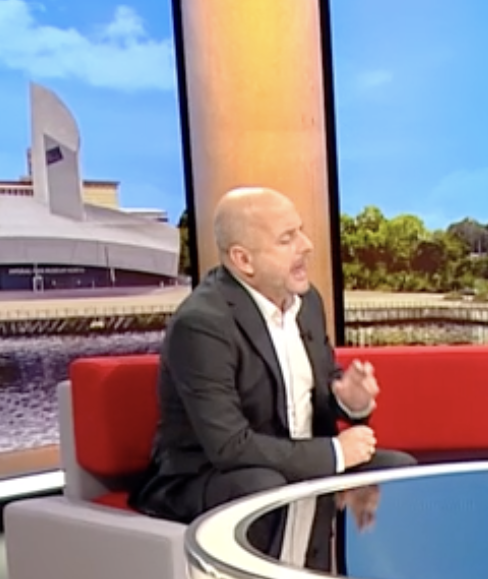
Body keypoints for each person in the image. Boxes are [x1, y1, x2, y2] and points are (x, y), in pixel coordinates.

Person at [130, 186, 415, 527]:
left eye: (302, 231)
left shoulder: (307, 304)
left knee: (398, 470)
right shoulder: (203, 324)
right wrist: (335, 453)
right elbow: (230, 447)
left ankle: (354, 574)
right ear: (243, 260)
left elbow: (315, 391)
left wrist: (350, 401)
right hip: (208, 476)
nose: (306, 246)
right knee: (265, 488)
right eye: (287, 239)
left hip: (292, 466)